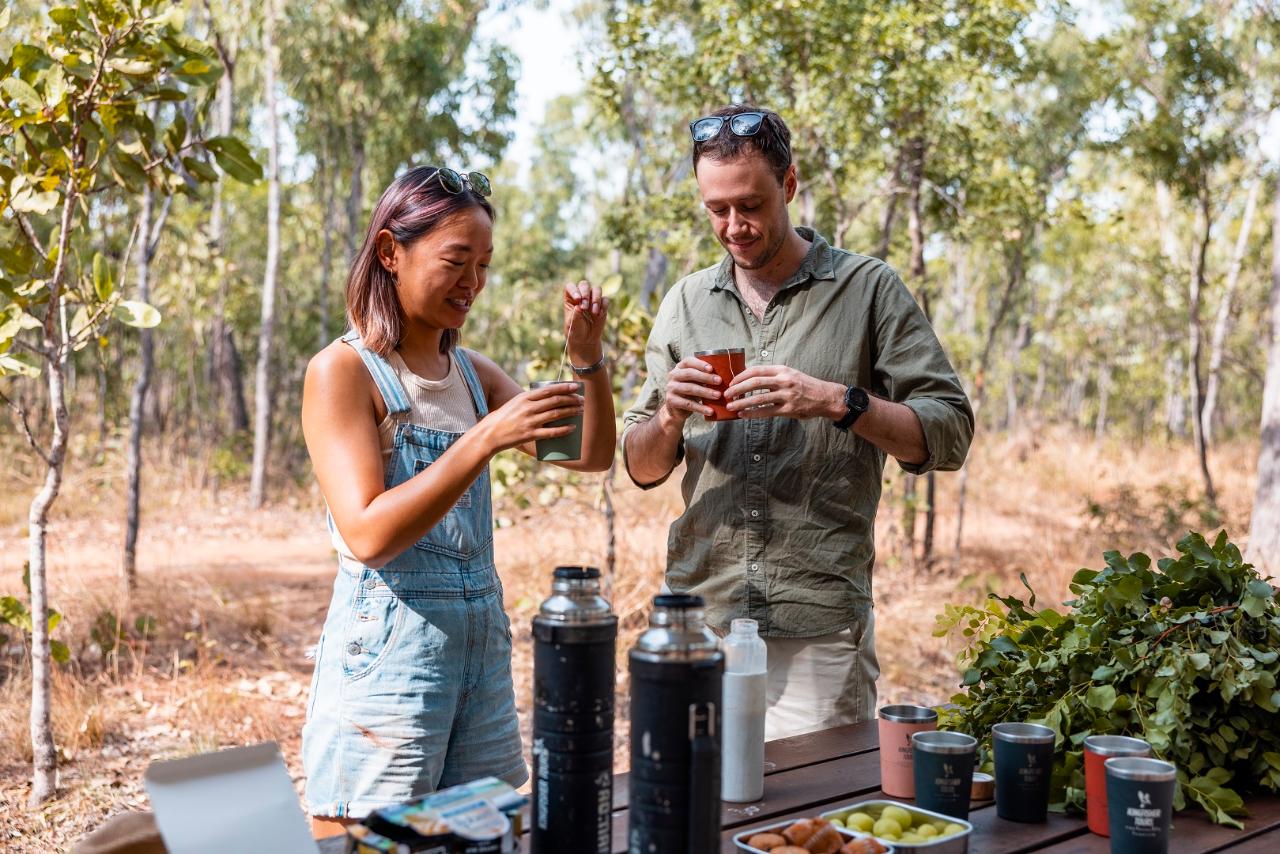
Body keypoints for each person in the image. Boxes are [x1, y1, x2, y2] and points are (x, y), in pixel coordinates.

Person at [622, 106, 973, 741]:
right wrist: (670, 413)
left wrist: (838, 401)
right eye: (716, 210)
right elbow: (642, 467)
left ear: (788, 185)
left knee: (808, 827)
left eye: (750, 204)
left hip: (817, 626)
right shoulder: (684, 305)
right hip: (699, 621)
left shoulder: (868, 290)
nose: (734, 226)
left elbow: (948, 433)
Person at [300, 165, 614, 831]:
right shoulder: (344, 373)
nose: (473, 284)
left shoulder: (473, 376)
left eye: (485, 265)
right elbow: (368, 535)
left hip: (482, 665)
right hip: (387, 676)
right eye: (456, 261)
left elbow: (588, 453)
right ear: (390, 252)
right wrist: (484, 439)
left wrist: (587, 358)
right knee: (380, 842)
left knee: (489, 834)